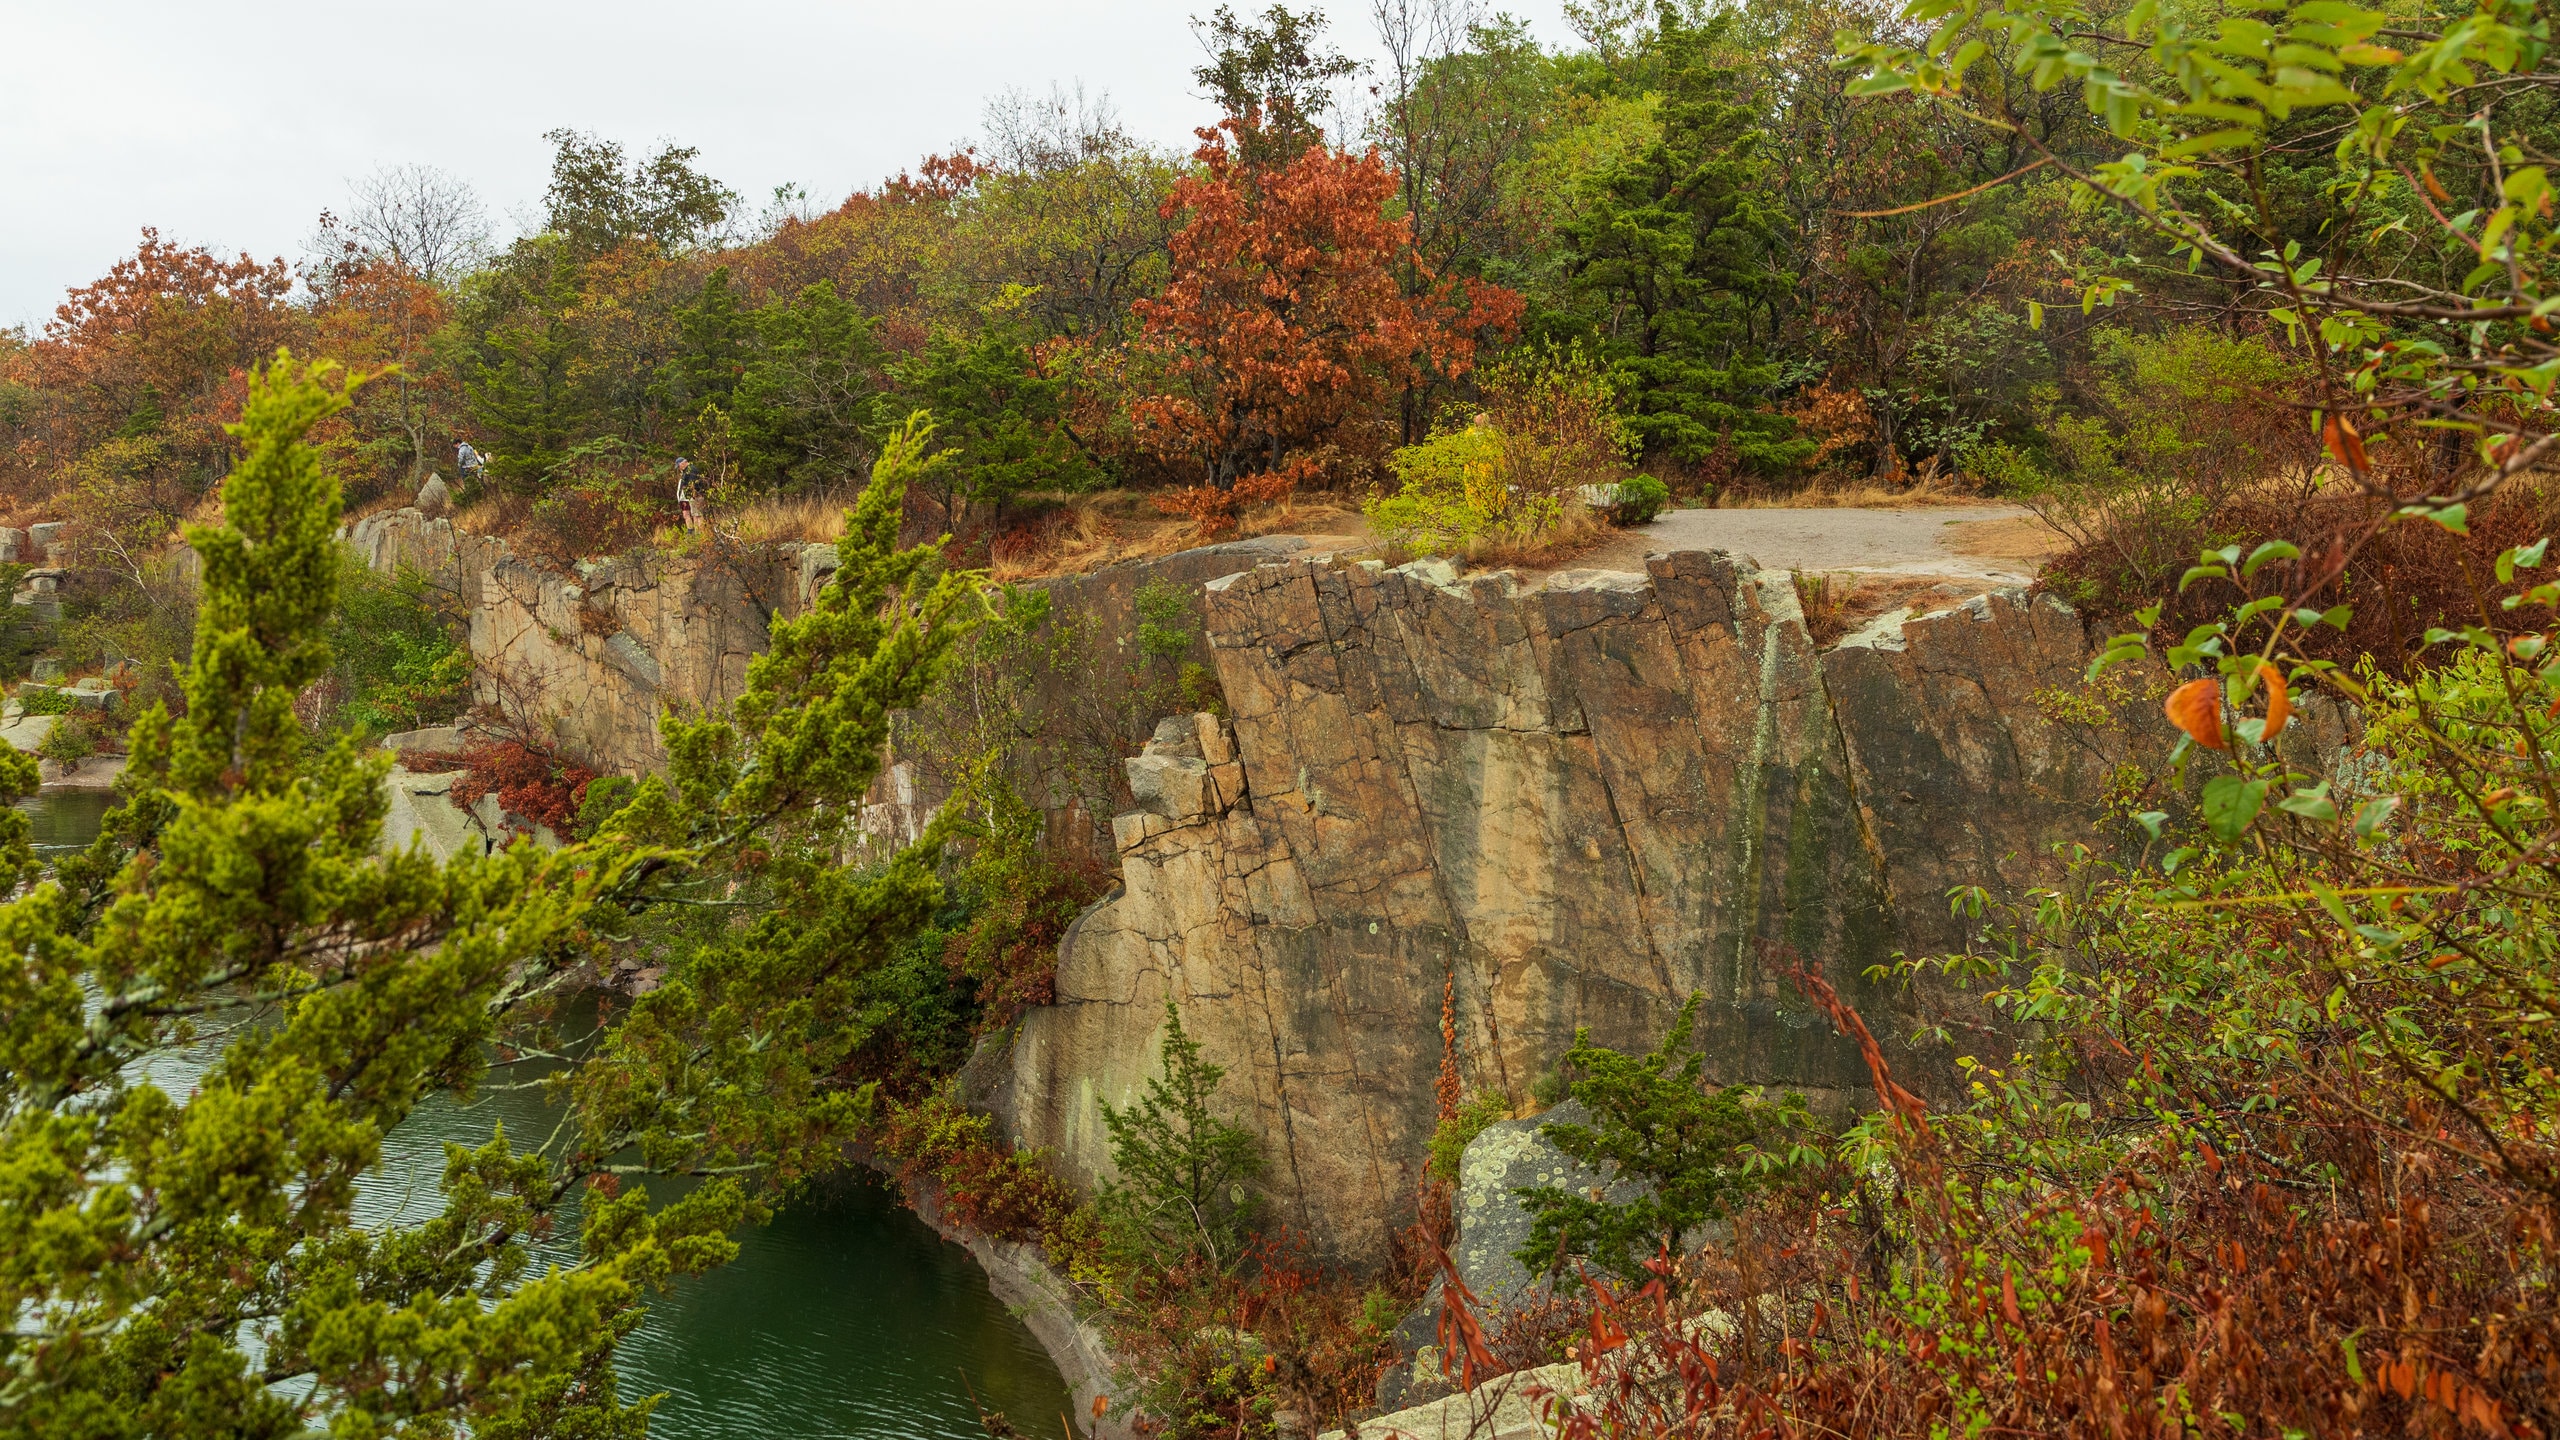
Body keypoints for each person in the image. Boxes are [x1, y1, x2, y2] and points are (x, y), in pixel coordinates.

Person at [674, 457, 694, 529]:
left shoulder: (689, 471)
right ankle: (690, 530)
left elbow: (690, 484)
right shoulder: (683, 473)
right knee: (685, 515)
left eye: (679, 466)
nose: (679, 468)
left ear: (682, 463)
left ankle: (692, 530)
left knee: (691, 515)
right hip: (682, 498)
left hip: (687, 497)